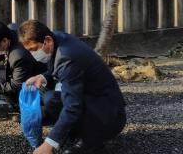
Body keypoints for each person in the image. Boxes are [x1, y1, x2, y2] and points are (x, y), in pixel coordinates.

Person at [18, 20, 126, 154]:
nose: (32, 54)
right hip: (96, 100)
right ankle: (74, 133)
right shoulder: (57, 38)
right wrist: (43, 76)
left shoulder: (67, 56)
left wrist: (49, 144)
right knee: (51, 98)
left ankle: (91, 141)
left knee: (63, 102)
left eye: (33, 49)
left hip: (108, 115)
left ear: (47, 40)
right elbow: (59, 69)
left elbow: (72, 107)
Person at [0, 20, 45, 113]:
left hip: (38, 84)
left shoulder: (18, 55)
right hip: (27, 71)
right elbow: (8, 50)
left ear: (4, 40)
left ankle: (20, 107)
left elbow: (15, 86)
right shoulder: (11, 32)